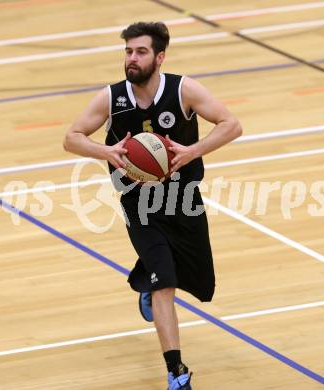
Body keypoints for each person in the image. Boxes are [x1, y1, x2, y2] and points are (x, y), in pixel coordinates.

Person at [63, 21, 242, 390]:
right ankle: (176, 371)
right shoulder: (112, 97)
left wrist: (194, 150)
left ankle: (145, 277)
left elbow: (231, 124)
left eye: (140, 51)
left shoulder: (183, 90)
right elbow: (72, 138)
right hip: (139, 204)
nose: (132, 58)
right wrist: (105, 151)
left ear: (159, 57)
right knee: (166, 284)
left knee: (202, 284)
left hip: (183, 199)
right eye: (128, 51)